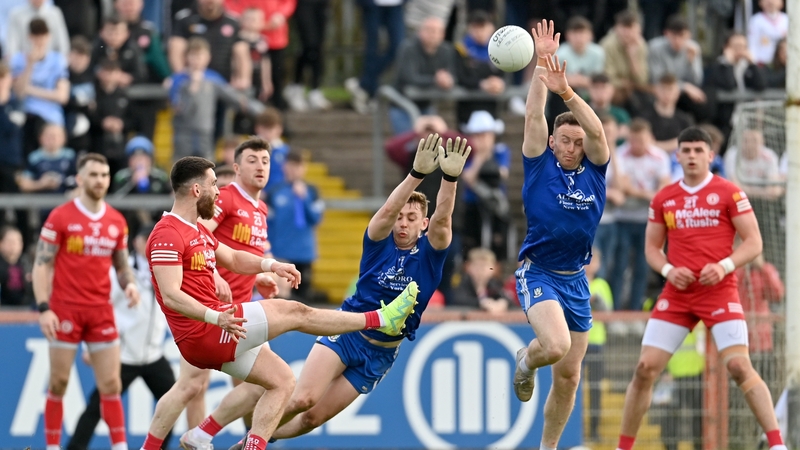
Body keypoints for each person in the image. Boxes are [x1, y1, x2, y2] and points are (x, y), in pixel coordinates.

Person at [181, 133, 471, 447]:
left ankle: (253, 441)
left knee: (311, 418)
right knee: (300, 399)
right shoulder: (377, 244)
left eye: (411, 219)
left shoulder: (430, 255)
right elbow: (387, 212)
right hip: (347, 330)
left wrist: (450, 178)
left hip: (383, 352)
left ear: (423, 224)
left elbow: (443, 220)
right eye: (401, 217)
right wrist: (415, 176)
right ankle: (225, 436)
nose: (402, 223)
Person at [138, 156, 419, 450]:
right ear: (196, 190)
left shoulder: (196, 229)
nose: (218, 191)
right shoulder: (167, 233)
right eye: (212, 184)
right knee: (296, 311)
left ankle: (239, 444)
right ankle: (381, 319)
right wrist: (214, 317)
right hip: (208, 329)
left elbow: (233, 258)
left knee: (282, 381)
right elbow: (170, 295)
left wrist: (270, 265)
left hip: (217, 328)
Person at [615, 126, 787, 450]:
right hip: (677, 295)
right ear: (677, 155)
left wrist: (723, 266)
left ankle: (778, 445)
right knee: (644, 369)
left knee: (739, 366)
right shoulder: (664, 197)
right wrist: (668, 269)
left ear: (711, 156)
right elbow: (652, 248)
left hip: (719, 292)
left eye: (698, 150)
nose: (692, 156)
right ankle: (623, 447)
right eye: (686, 150)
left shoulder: (730, 192)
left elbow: (754, 243)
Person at [511, 20, 610, 450]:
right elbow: (534, 114)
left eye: (577, 142)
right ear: (552, 142)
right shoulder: (539, 165)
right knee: (553, 347)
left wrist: (567, 90)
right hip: (539, 272)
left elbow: (600, 132)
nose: (571, 148)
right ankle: (524, 360)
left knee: (569, 377)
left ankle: (547, 448)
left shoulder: (596, 171)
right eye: (564, 141)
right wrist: (540, 69)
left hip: (575, 278)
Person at [33, 153, 140, 450]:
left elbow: (121, 265)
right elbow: (41, 264)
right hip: (66, 308)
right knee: (59, 383)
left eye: (104, 175)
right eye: (93, 175)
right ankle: (52, 446)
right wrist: (44, 308)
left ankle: (119, 446)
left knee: (111, 385)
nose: (100, 181)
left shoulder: (117, 221)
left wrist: (129, 284)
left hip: (101, 310)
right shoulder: (61, 216)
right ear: (80, 179)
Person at [182, 137, 277, 430]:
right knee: (191, 387)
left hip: (242, 309)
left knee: (261, 387)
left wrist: (260, 277)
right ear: (236, 167)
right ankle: (195, 440)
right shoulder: (227, 198)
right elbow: (196, 233)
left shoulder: (260, 209)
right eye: (252, 160)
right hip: (210, 308)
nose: (260, 166)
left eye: (265, 161)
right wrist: (214, 273)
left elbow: (244, 256)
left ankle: (233, 441)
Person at [67, 225, 177, 450]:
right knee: (96, 407)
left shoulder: (165, 269)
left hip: (153, 354)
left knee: (173, 403)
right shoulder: (120, 271)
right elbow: (99, 306)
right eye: (146, 240)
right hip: (122, 354)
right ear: (136, 242)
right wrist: (91, 346)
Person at [266, 151, 325, 303]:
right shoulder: (274, 192)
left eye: (297, 166)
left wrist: (303, 199)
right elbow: (267, 224)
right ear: (284, 167)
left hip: (304, 253)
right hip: (281, 253)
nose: (293, 169)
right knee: (282, 298)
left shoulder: (312, 191)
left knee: (303, 299)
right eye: (290, 165)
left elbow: (316, 218)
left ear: (303, 168)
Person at [0, 225, 32, 308]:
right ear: (1, 244)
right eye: (10, 242)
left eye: (18, 241)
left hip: (25, 309)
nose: (14, 245)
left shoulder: (27, 264)